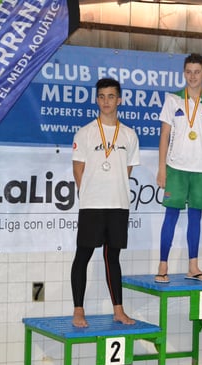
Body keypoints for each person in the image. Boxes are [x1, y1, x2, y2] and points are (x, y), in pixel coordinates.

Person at [70, 78, 140, 327]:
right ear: (97, 100)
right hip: (92, 204)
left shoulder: (129, 135)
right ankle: (78, 310)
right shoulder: (85, 132)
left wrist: (113, 189)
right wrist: (90, 193)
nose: (106, 101)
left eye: (111, 96)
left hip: (118, 204)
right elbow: (78, 169)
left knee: (113, 258)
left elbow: (127, 169)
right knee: (83, 255)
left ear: (119, 100)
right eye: (101, 96)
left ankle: (118, 310)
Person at [155, 53, 202, 283]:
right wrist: (161, 168)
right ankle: (162, 265)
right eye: (189, 72)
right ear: (184, 73)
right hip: (175, 168)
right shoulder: (173, 100)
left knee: (195, 218)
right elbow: (164, 135)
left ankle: (193, 266)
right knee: (171, 216)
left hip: (201, 170)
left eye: (197, 72)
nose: (192, 76)